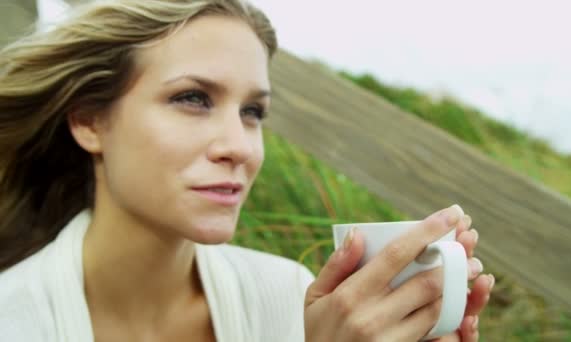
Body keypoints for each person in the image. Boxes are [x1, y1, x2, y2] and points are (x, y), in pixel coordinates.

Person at [0, 0, 493, 341]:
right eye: (192, 98)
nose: (240, 147)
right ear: (89, 121)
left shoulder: (290, 296)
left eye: (253, 112)